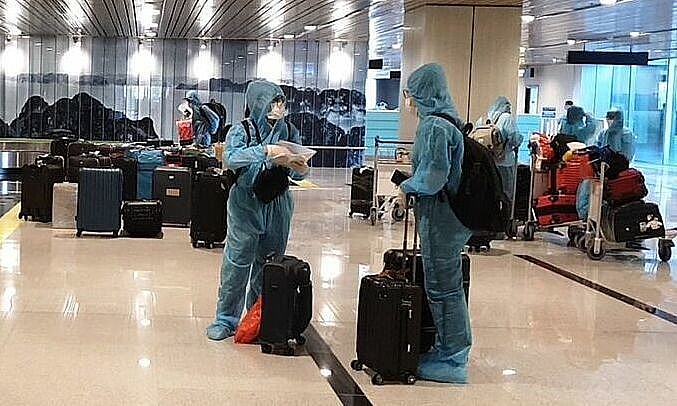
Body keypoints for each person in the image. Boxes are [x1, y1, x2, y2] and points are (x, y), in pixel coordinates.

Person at [206, 80, 309, 341]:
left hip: (278, 203)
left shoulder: (289, 130)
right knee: (237, 262)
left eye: (282, 101)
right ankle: (225, 318)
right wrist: (264, 151)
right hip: (246, 202)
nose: (279, 107)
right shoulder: (242, 130)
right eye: (273, 101)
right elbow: (231, 158)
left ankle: (257, 317)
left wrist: (298, 165)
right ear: (258, 102)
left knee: (269, 263)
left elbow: (302, 166)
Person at [399, 63, 472, 384]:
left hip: (441, 219)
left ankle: (453, 359)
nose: (409, 101)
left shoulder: (433, 127)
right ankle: (450, 349)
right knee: (448, 287)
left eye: (412, 94)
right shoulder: (449, 122)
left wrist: (407, 186)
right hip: (448, 217)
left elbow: (432, 177)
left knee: (444, 289)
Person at [487, 96, 523, 204]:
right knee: (506, 193)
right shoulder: (507, 118)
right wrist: (522, 139)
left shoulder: (490, 118)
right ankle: (506, 217)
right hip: (505, 161)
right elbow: (515, 139)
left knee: (493, 192)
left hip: (492, 161)